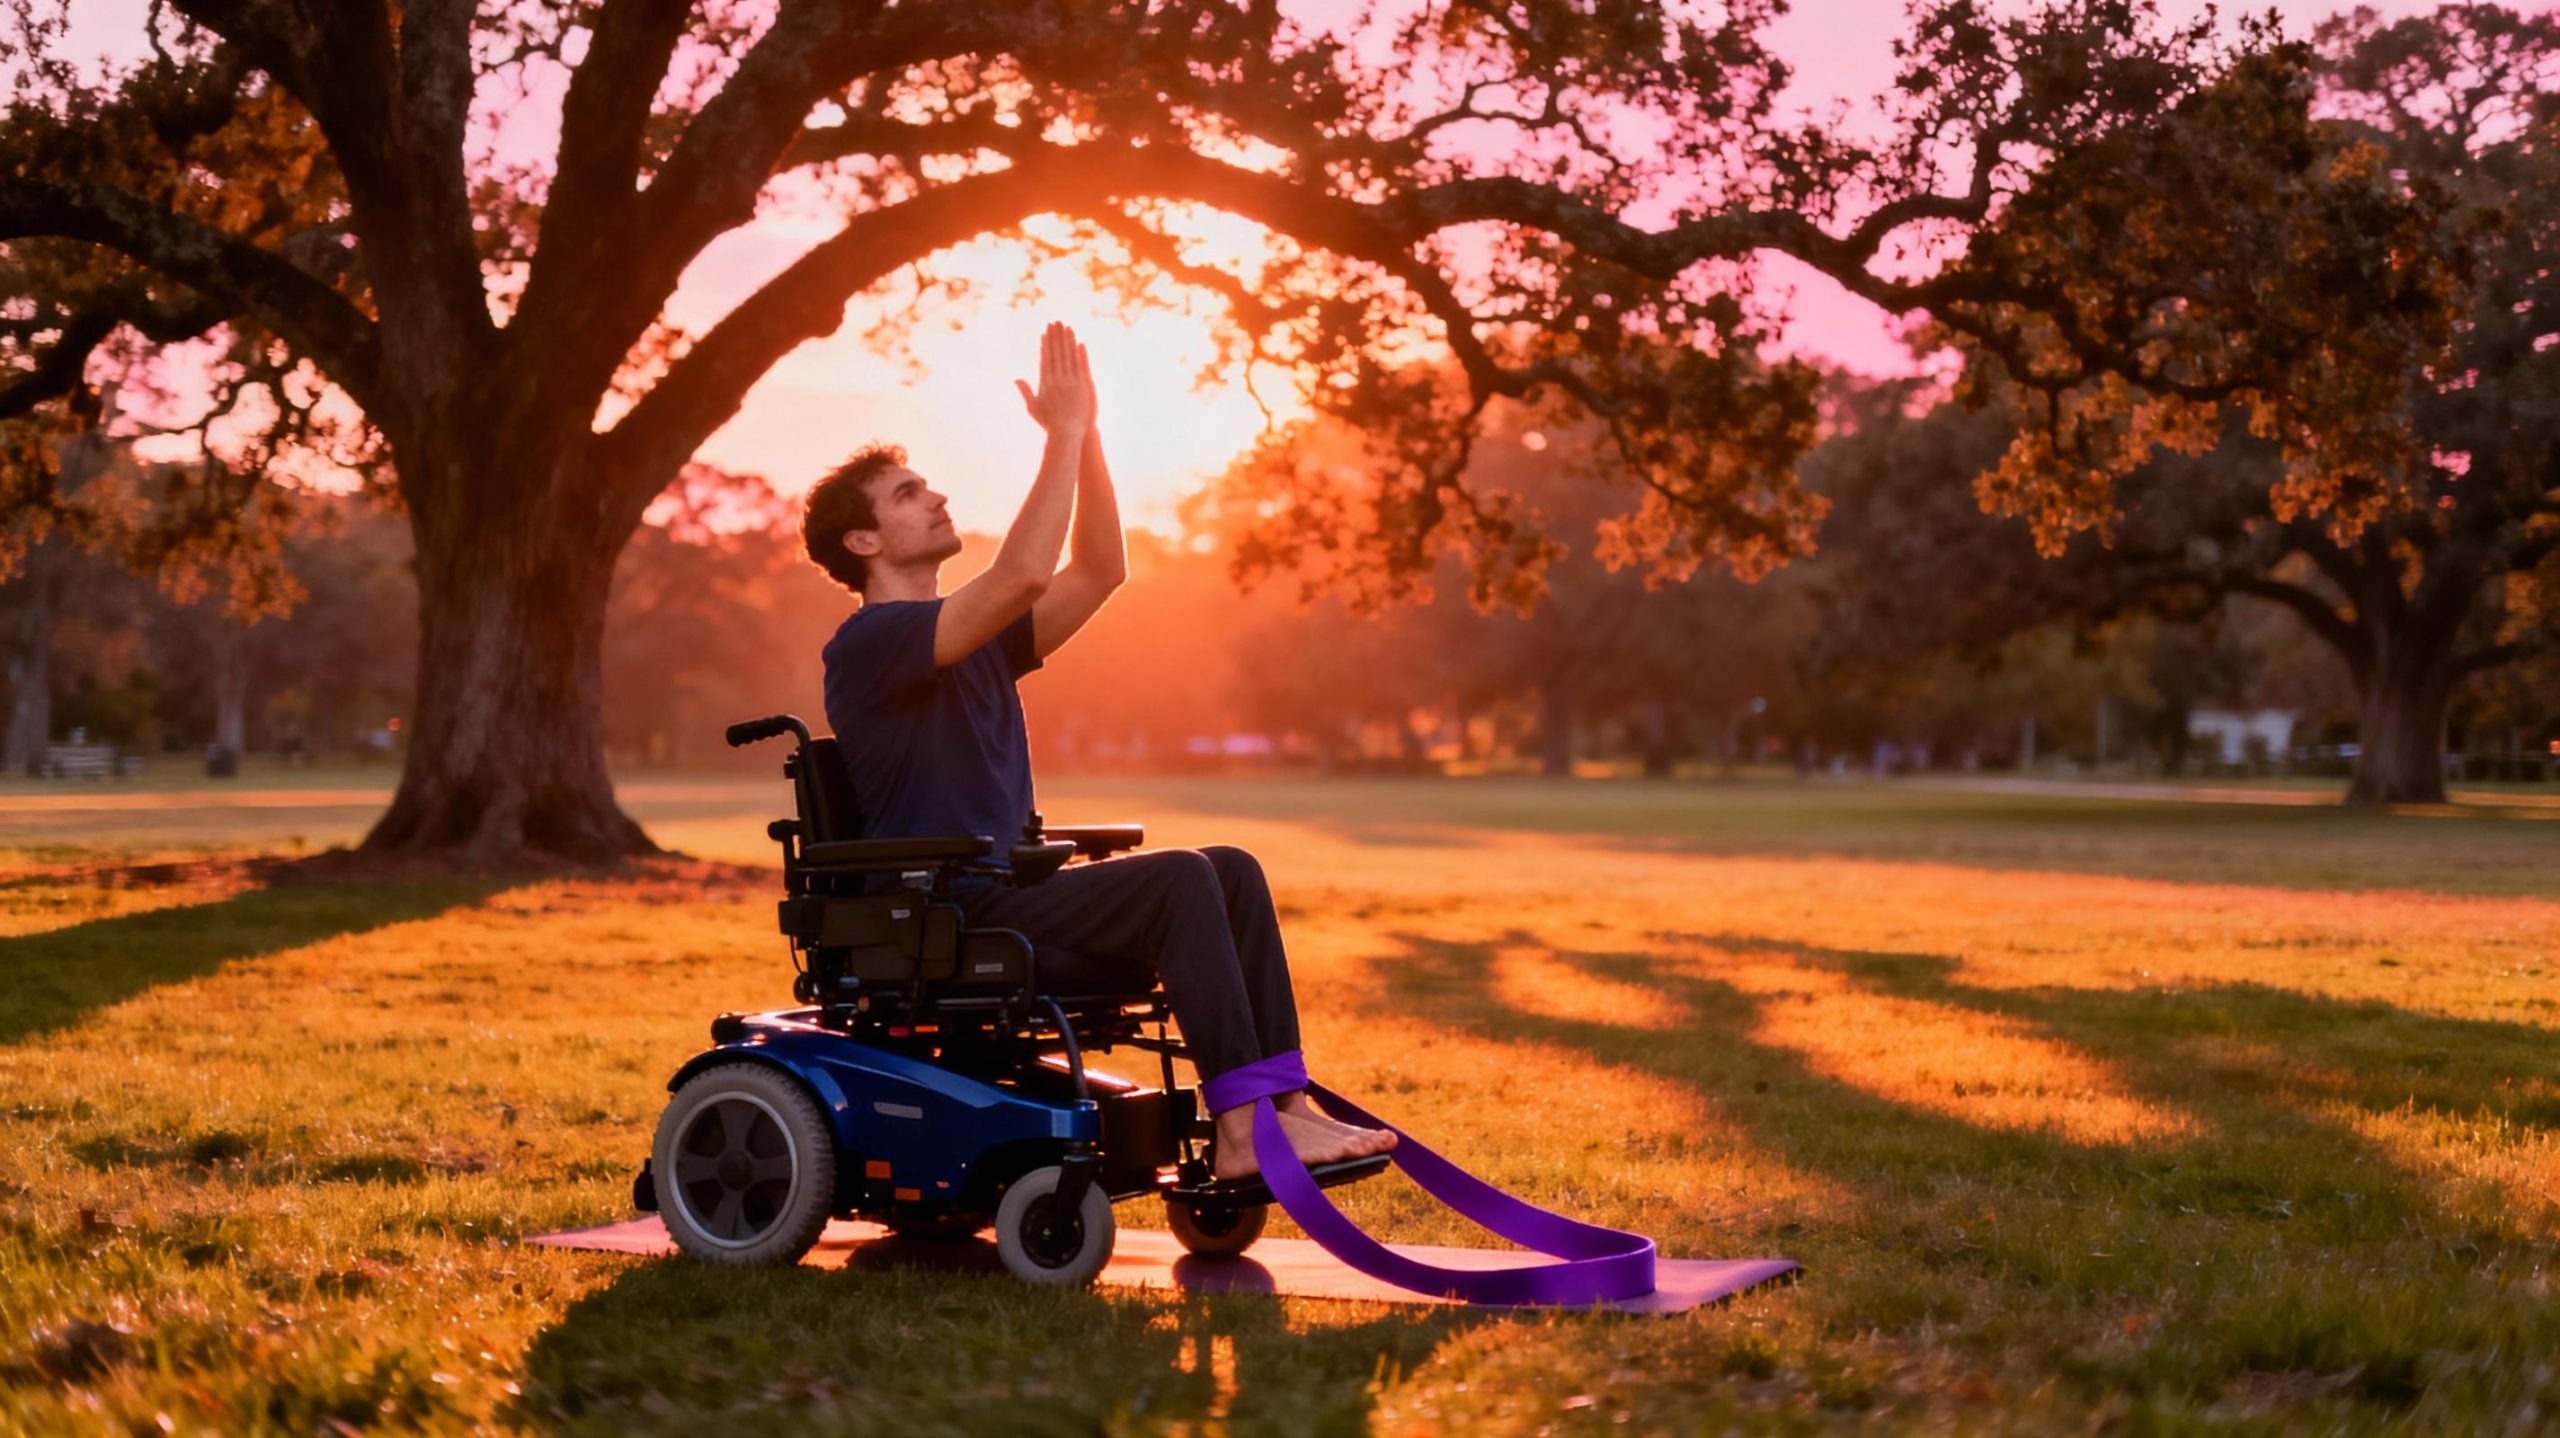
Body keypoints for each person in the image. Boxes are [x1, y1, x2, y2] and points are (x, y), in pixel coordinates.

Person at [801, 321, 1394, 1182]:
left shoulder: (980, 644)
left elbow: (1100, 568)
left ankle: (1285, 1108)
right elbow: (1022, 575)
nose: (934, 497)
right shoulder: (869, 644)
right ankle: (1239, 1137)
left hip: (1009, 895)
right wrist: (1063, 433)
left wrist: (1093, 436)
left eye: (927, 484)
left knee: (1229, 867)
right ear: (862, 542)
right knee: (1181, 876)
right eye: (906, 493)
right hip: (948, 914)